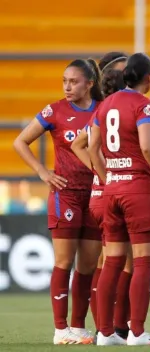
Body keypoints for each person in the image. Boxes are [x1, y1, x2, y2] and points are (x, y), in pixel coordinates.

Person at [13, 59, 104, 344]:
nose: (67, 86)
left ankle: (78, 327)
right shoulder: (55, 110)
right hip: (65, 194)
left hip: (95, 195)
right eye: (64, 80)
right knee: (63, 262)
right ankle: (60, 329)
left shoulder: (102, 110)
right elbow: (20, 142)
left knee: (87, 265)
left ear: (89, 84)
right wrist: (43, 172)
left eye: (73, 81)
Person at [88, 52, 150, 346]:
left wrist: (107, 176)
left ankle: (104, 333)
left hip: (112, 190)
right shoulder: (144, 106)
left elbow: (92, 148)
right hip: (137, 188)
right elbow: (148, 148)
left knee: (111, 261)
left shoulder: (105, 104)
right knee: (143, 263)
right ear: (149, 78)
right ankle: (137, 332)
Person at [70, 54, 129, 337]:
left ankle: (110, 328)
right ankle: (115, 328)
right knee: (120, 261)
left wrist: (102, 175)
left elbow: (79, 145)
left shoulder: (104, 110)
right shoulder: (112, 109)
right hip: (116, 192)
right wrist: (107, 176)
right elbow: (81, 146)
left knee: (107, 261)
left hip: (104, 192)